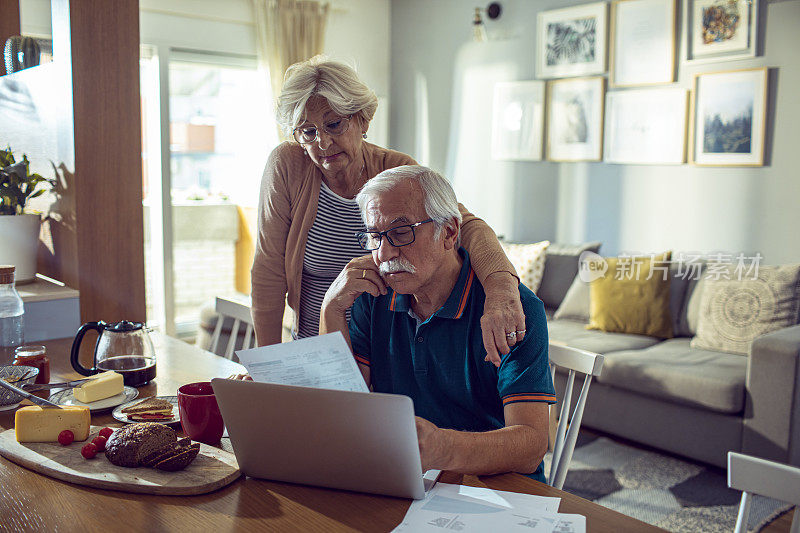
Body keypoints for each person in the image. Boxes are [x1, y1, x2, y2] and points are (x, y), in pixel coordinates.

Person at [250, 55, 525, 365]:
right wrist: (267, 366)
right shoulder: (288, 165)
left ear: (362, 119)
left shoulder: (396, 171)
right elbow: (268, 271)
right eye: (308, 131)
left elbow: (465, 225)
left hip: (387, 361)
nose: (323, 142)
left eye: (334, 124)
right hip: (315, 352)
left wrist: (502, 291)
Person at [320, 165, 555, 480]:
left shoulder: (511, 310)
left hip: (497, 490)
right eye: (374, 237)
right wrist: (332, 307)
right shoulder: (373, 295)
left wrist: (444, 448)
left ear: (449, 232)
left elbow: (531, 446)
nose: (384, 253)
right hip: (406, 478)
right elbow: (342, 416)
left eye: (401, 232)